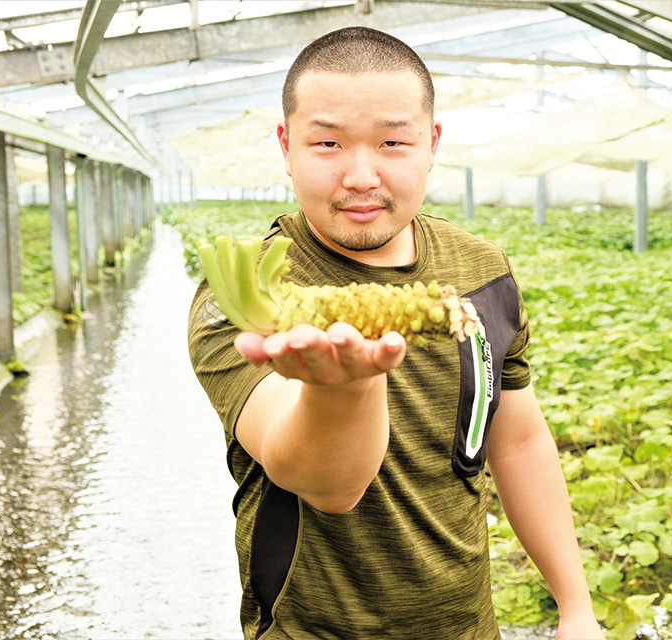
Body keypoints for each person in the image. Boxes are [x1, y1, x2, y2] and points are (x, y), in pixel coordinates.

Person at [188, 26, 605, 640]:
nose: (361, 175)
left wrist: (576, 607)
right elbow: (324, 484)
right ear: (285, 145)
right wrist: (342, 390)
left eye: (393, 142)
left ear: (431, 144)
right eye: (327, 143)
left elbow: (516, 444)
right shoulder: (244, 293)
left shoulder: (482, 271)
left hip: (468, 626)